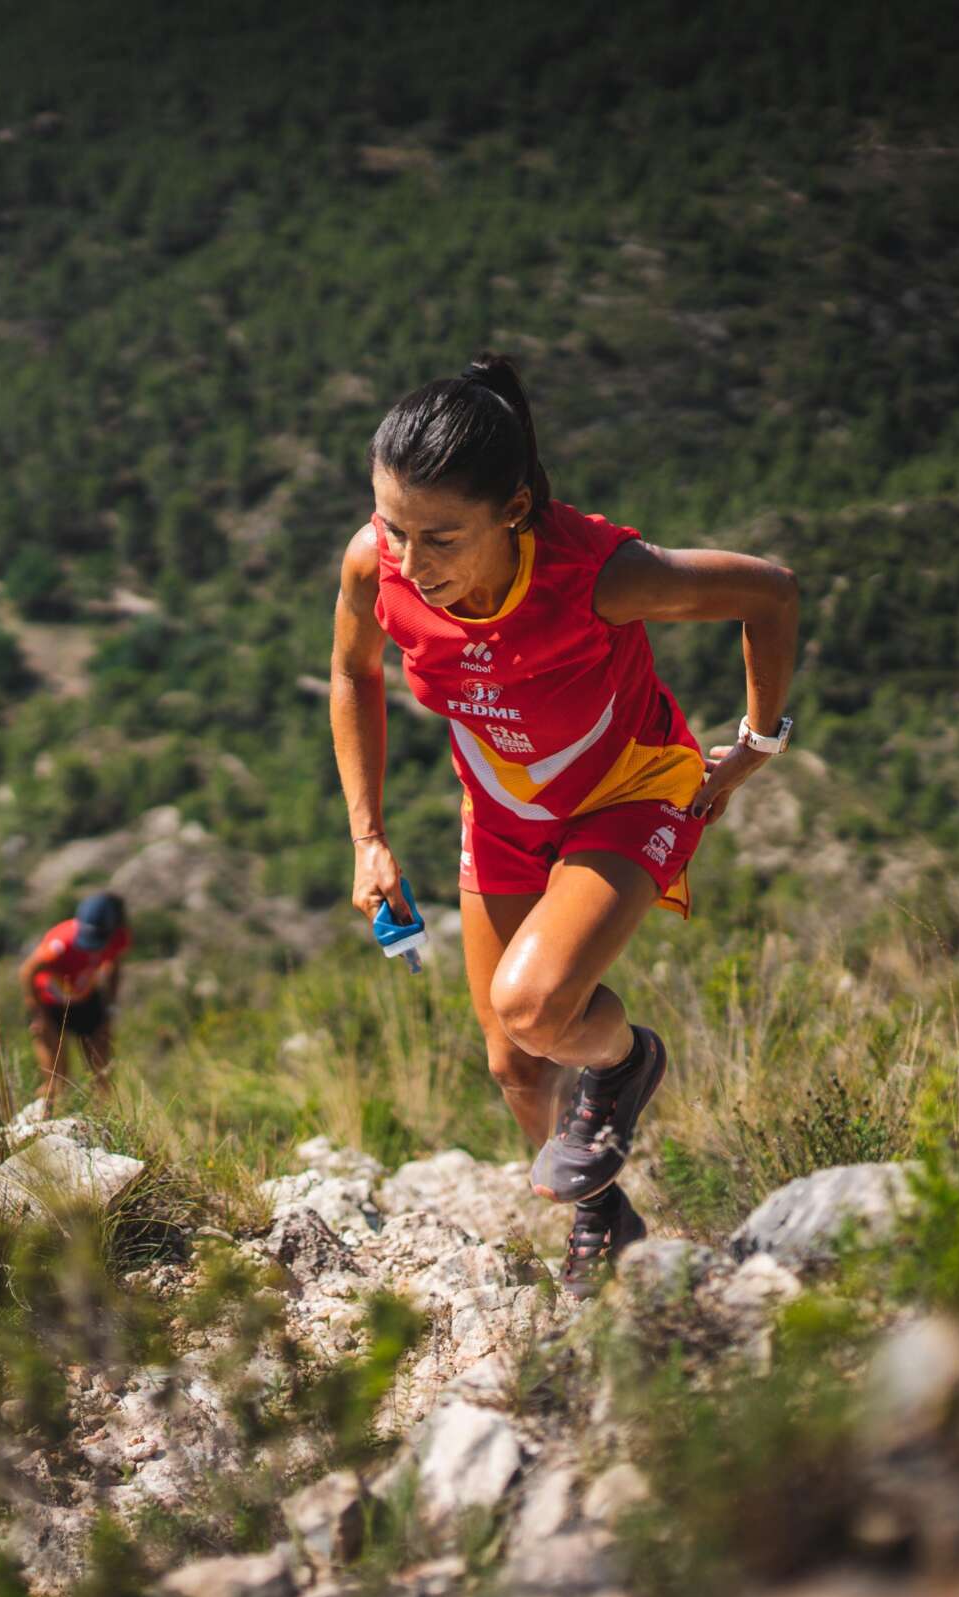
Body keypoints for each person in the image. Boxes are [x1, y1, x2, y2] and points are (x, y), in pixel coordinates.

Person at [328, 353, 799, 1291]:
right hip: (503, 809)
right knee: (513, 1062)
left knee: (537, 1007)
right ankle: (602, 1215)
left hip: (631, 788)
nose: (411, 567)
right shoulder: (376, 563)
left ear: (511, 511)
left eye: (442, 540)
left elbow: (771, 592)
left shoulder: (598, 573)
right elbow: (354, 672)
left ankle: (626, 1061)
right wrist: (369, 837)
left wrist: (755, 742)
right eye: (393, 527)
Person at [19, 892, 129, 1105]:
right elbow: (27, 972)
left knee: (102, 1072)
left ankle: (102, 1115)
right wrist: (37, 1013)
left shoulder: (118, 938)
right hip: (49, 1005)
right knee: (57, 1079)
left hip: (85, 1000)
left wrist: (110, 1006)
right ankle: (47, 1116)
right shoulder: (61, 943)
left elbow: (114, 964)